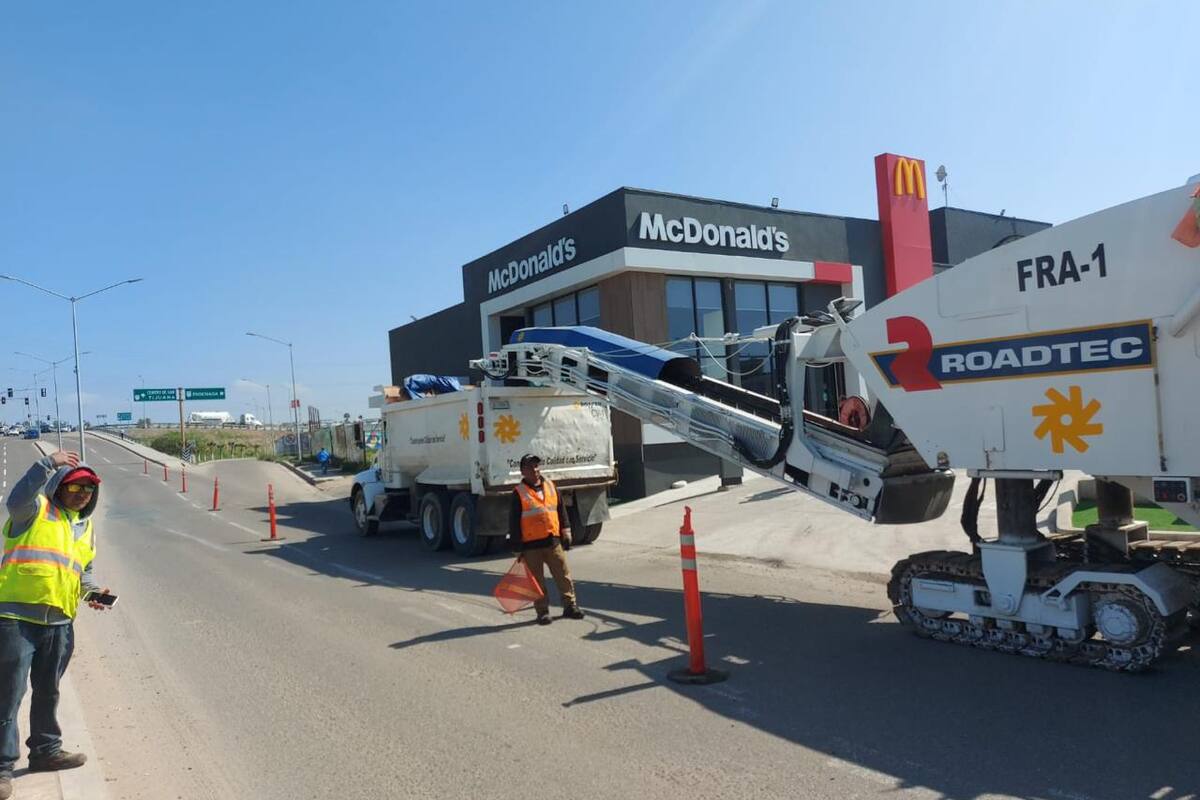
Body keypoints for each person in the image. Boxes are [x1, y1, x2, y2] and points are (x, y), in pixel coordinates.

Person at [0, 450, 113, 799]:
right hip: (17, 619)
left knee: (48, 692)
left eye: (89, 490)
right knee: (8, 695)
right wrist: (47, 463)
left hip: (60, 622)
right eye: (76, 486)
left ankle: (46, 751)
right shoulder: (34, 510)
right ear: (58, 487)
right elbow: (15, 498)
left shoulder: (85, 527)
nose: (83, 493)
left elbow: (83, 571)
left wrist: (93, 592)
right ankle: (2, 768)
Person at [507, 453, 584, 625]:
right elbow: (513, 521)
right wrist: (517, 547)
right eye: (529, 467)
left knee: (563, 575)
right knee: (537, 581)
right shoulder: (518, 493)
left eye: (536, 466)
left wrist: (566, 532)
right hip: (531, 546)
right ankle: (542, 612)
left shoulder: (551, 486)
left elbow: (561, 511)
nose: (534, 470)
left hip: (552, 542)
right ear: (522, 471)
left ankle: (570, 606)